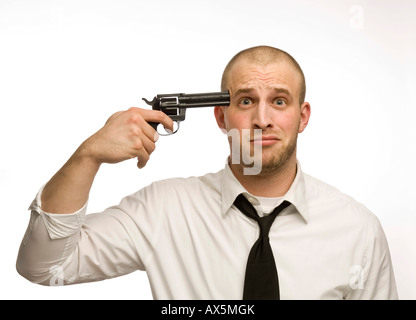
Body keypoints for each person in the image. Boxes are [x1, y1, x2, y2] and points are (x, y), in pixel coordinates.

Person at [16, 45, 398, 300]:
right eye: (245, 101)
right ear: (221, 115)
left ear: (302, 117)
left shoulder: (358, 229)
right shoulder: (162, 210)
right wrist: (87, 157)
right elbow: (45, 267)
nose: (262, 120)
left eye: (278, 101)